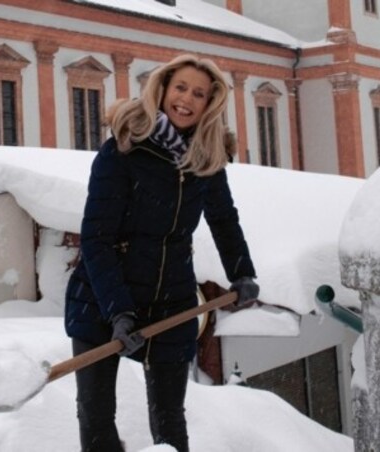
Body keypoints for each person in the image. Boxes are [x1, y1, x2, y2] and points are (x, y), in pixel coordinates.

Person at [64, 53, 259, 452]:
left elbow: (223, 218)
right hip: (103, 295)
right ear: (163, 89)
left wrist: (242, 273)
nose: (186, 99)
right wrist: (117, 310)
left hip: (170, 299)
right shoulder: (124, 147)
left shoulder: (205, 158)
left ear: (210, 103)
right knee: (96, 414)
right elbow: (96, 237)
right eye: (181, 88)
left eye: (199, 94)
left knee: (170, 419)